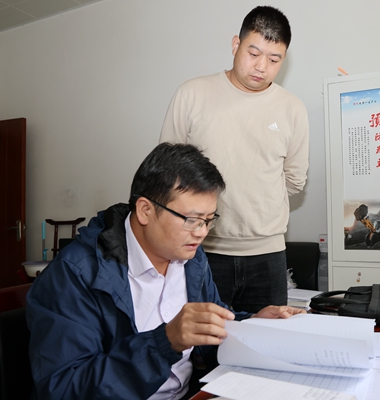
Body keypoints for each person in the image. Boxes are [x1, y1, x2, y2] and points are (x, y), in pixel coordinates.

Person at [26, 142, 304, 400]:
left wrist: (252, 324)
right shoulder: (75, 275)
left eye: (209, 220)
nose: (201, 232)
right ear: (145, 211)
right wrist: (165, 342)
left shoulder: (191, 258)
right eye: (192, 219)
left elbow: (208, 325)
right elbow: (64, 388)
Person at [159, 6, 309, 313]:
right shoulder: (192, 94)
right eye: (253, 53)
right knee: (201, 341)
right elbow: (167, 171)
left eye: (274, 59)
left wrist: (257, 203)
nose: (261, 66)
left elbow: (294, 180)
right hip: (201, 250)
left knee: (267, 339)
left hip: (268, 255)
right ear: (235, 45)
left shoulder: (292, 109)